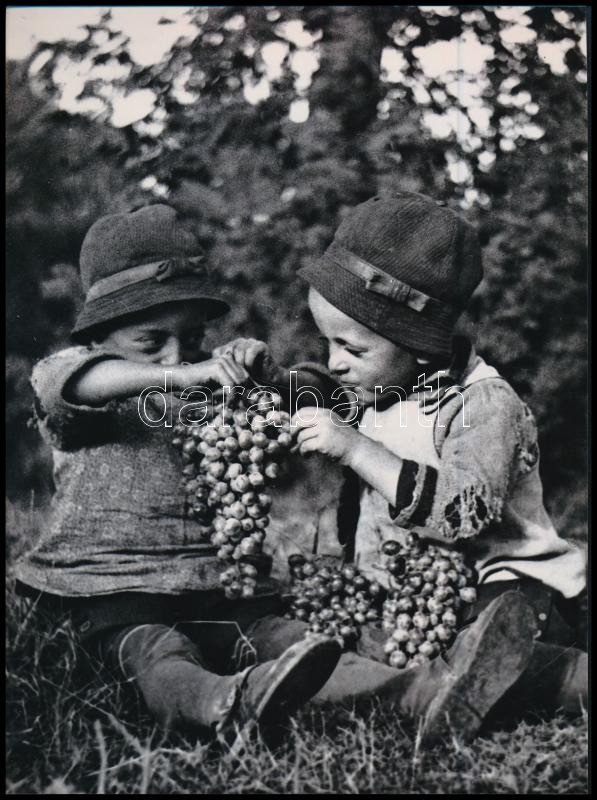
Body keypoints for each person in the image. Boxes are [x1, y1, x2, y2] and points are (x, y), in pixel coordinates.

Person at [221, 191, 587, 742]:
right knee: (371, 631)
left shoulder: (482, 405)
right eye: (327, 342)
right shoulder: (383, 385)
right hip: (421, 589)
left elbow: (464, 515)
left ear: (416, 346)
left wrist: (357, 449)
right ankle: (438, 682)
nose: (334, 361)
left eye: (351, 348)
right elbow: (322, 392)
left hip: (508, 591)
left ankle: (564, 677)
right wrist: (274, 382)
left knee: (496, 648)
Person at [14, 203, 344, 751]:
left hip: (217, 585)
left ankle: (418, 689)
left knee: (296, 640)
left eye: (190, 339)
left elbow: (329, 400)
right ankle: (224, 703)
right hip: (118, 589)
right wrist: (186, 371)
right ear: (99, 337)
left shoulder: (214, 381)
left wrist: (272, 378)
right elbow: (66, 388)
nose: (175, 355)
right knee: (154, 652)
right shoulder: (79, 373)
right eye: (150, 342)